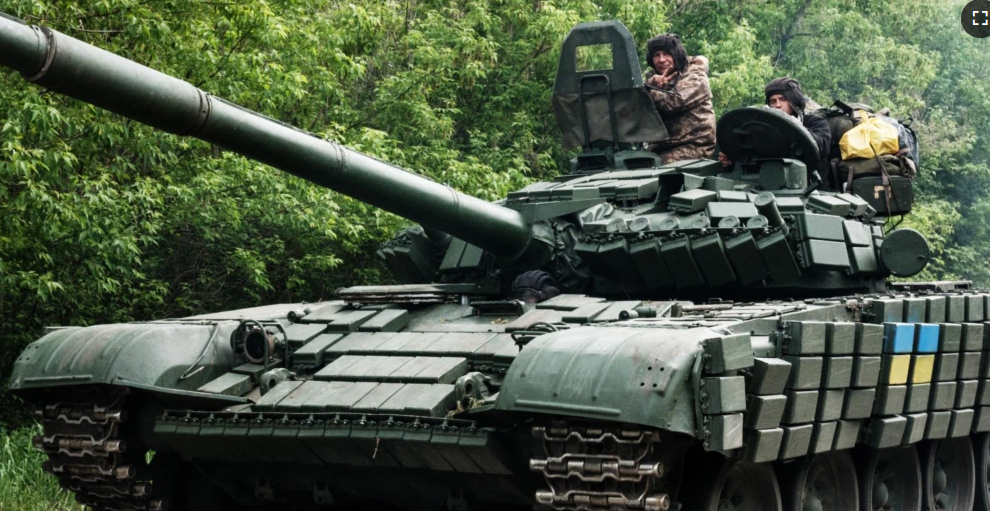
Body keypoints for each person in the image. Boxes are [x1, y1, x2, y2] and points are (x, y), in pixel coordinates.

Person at [718, 77, 831, 170]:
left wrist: (798, 127)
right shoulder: (764, 127)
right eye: (773, 101)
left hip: (809, 184)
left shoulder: (816, 122)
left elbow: (820, 147)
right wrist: (729, 161)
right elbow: (750, 156)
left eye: (783, 99)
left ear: (794, 100)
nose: (777, 105)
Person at [644, 34, 716, 164]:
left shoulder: (695, 75)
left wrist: (648, 91)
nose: (661, 60)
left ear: (676, 55)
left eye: (667, 54)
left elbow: (673, 102)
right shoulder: (653, 78)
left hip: (694, 146)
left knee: (653, 170)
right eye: (656, 55)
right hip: (661, 148)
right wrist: (650, 84)